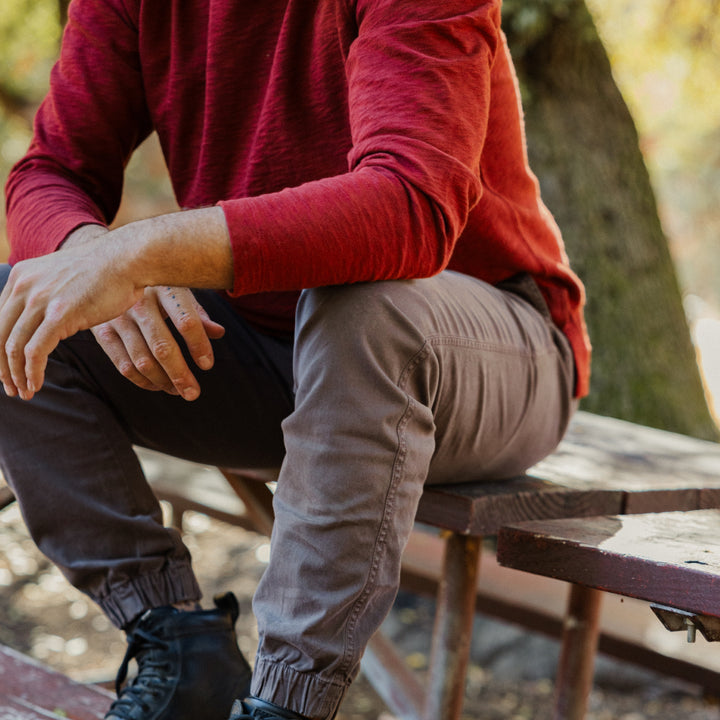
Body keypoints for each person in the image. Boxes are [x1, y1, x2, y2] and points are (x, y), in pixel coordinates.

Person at [0, 1, 591, 719]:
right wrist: (84, 255)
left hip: (486, 353)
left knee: (365, 306)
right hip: (267, 353)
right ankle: (179, 647)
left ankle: (287, 705)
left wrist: (140, 252)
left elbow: (410, 205)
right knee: (16, 303)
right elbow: (50, 171)